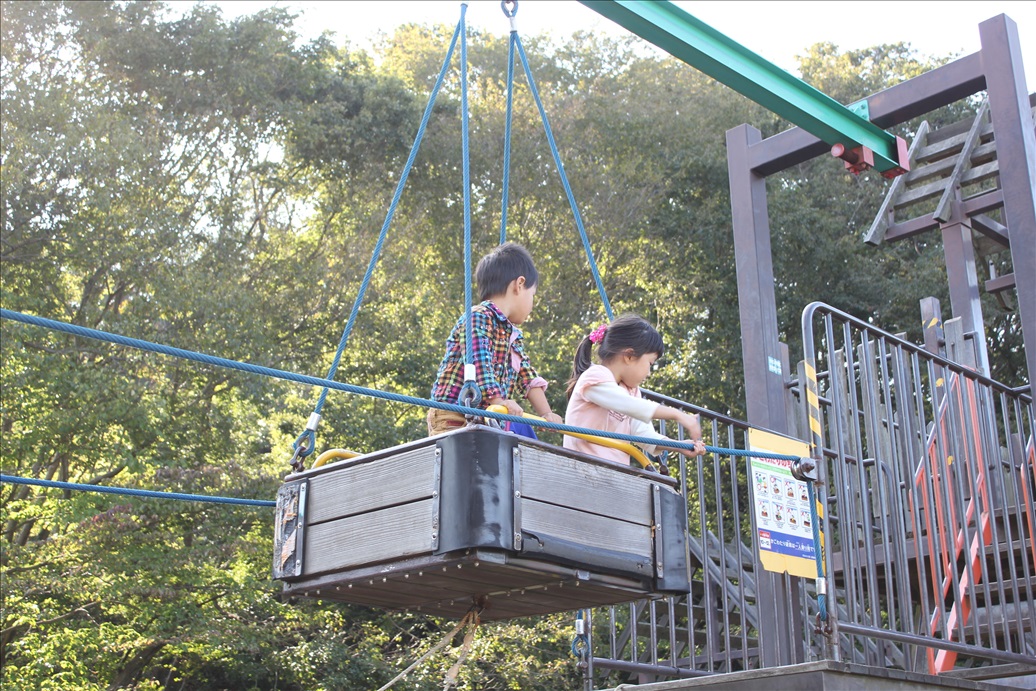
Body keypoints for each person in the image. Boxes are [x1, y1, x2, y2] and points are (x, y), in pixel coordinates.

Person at [429, 242, 564, 436]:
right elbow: (479, 363)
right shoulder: (478, 317)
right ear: (519, 285)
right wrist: (499, 402)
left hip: (484, 416)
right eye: (532, 295)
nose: (532, 303)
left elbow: (526, 376)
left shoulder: (512, 335)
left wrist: (546, 413)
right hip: (453, 414)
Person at [564, 314, 705, 466]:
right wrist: (678, 415)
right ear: (629, 356)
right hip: (582, 467)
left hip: (614, 471)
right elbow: (628, 404)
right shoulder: (595, 377)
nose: (649, 373)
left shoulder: (631, 391)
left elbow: (644, 434)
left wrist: (678, 446)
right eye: (650, 364)